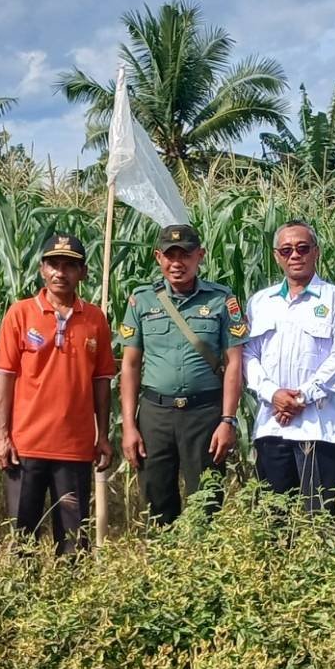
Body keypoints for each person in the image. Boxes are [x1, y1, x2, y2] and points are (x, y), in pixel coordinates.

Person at [0, 234, 115, 555]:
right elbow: (4, 378)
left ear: (83, 273)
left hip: (74, 449)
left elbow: (102, 382)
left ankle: (69, 602)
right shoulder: (20, 314)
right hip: (26, 446)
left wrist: (103, 436)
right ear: (42, 269)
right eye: (54, 265)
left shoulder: (95, 319)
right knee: (22, 539)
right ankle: (22, 601)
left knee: (74, 542)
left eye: (70, 266)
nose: (61, 273)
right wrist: (2, 436)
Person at [119, 223, 248, 525]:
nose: (177, 263)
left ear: (199, 256)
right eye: (170, 255)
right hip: (155, 415)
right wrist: (128, 426)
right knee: (156, 499)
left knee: (206, 500)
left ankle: (202, 566)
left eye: (185, 255)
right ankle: (163, 565)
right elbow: (130, 365)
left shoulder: (221, 300)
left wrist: (227, 420)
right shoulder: (142, 300)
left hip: (204, 414)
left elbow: (234, 364)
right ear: (158, 257)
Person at [243, 220, 335, 515]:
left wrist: (300, 398)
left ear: (316, 252)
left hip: (319, 429)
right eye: (286, 249)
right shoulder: (260, 303)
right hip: (272, 428)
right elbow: (247, 354)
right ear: (276, 256)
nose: (295, 255)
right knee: (274, 522)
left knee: (323, 522)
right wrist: (273, 394)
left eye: (302, 248)